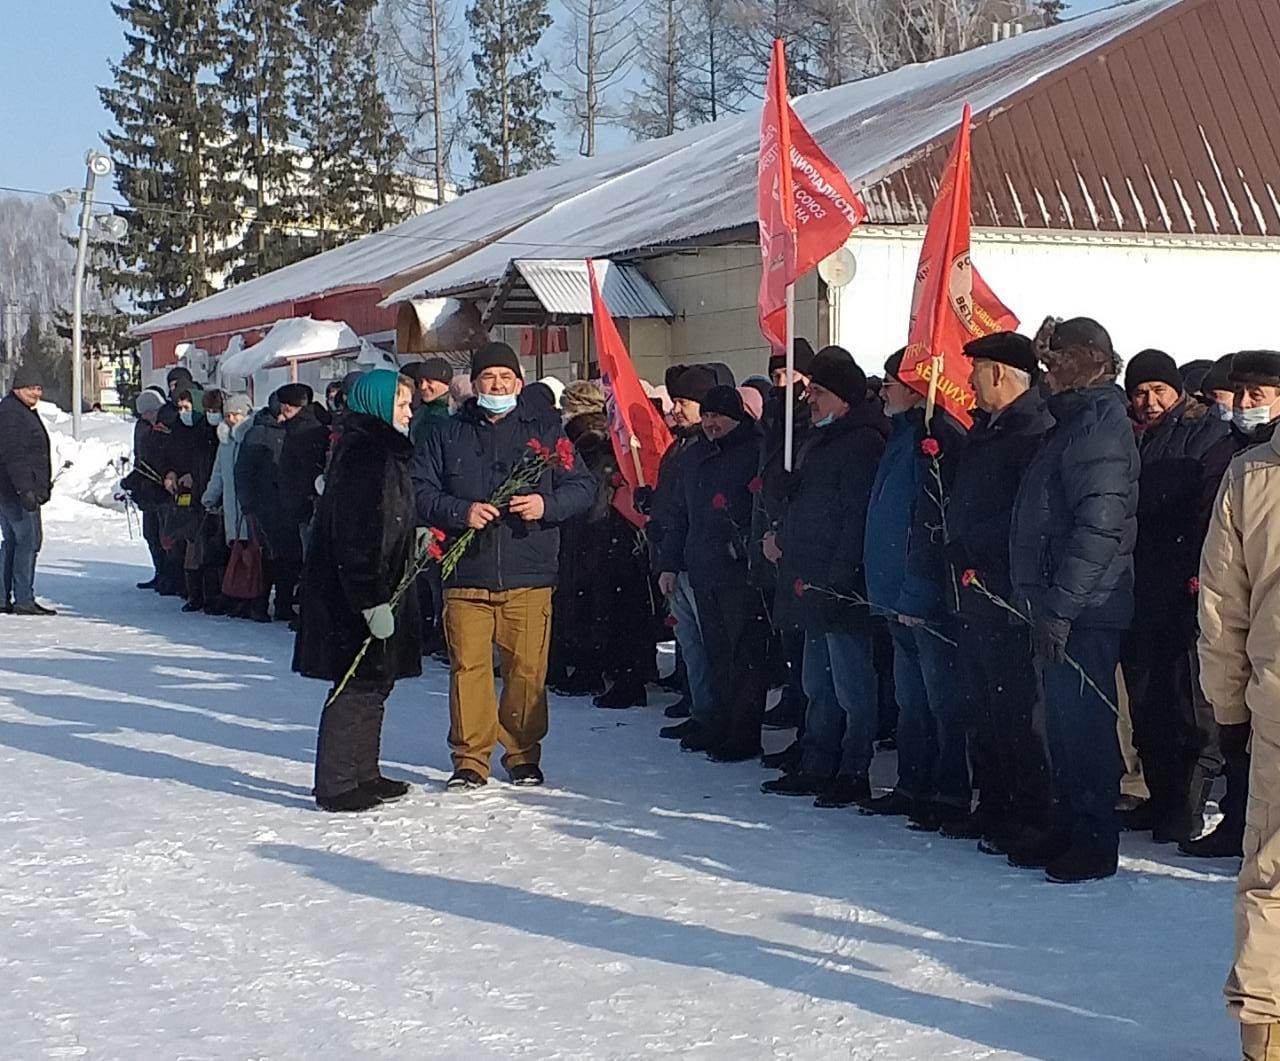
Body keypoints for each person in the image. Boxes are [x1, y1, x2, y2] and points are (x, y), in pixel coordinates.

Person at [413, 342, 595, 790]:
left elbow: (584, 487)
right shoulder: (446, 434)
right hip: (466, 574)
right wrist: (460, 512)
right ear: (474, 385)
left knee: (526, 670)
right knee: (468, 670)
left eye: (505, 378)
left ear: (518, 383)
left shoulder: (547, 432)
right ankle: (470, 759)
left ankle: (522, 753)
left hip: (528, 572)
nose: (497, 385)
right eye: (487, 378)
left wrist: (545, 504)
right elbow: (418, 490)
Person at [1007, 317, 1139, 883]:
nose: (1044, 377)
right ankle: (1068, 825)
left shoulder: (1098, 429)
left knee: (1083, 726)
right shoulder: (1072, 424)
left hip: (1085, 608)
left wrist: (1061, 605)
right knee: (1059, 725)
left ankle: (1092, 839)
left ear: (1076, 365)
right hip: (1062, 604)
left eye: (1051, 364)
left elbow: (1098, 529)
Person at [761, 348, 887, 806]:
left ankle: (853, 767)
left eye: (818, 392)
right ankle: (818, 760)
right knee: (817, 682)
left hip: (840, 583)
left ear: (844, 398)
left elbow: (854, 519)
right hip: (811, 579)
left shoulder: (863, 442)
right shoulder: (820, 438)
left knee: (851, 683)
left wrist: (839, 578)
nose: (809, 399)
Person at [945, 332, 1054, 854]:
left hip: (1009, 593)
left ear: (1000, 374)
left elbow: (1025, 512)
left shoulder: (1032, 431)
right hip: (976, 594)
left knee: (1017, 715)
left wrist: (971, 543)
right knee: (981, 708)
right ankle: (992, 805)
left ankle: (1028, 815)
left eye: (976, 370)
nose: (968, 381)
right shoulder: (986, 431)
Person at [293, 370, 421, 812]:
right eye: (402, 404)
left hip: (382, 584)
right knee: (353, 686)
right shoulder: (367, 453)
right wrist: (370, 599)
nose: (410, 411)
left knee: (375, 683)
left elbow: (390, 516)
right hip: (355, 594)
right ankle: (336, 783)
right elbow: (355, 533)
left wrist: (413, 536)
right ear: (380, 405)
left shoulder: (384, 451)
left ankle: (364, 770)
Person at [1119, 349, 1233, 844]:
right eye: (1140, 392)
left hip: (1182, 586)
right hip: (1138, 588)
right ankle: (1159, 798)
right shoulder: (1130, 438)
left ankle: (1186, 806)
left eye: (1158, 391)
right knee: (1148, 705)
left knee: (1189, 707)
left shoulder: (1203, 434)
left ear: (1177, 391)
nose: (1148, 402)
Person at [1198, 392, 1280, 1060]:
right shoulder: (1250, 473)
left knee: (1272, 878)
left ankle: (1265, 1040)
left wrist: (1227, 708)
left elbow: (1223, 605)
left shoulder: (1251, 474)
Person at [859, 349, 968, 831]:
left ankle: (947, 792)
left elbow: (930, 525)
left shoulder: (936, 440)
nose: (884, 391)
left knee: (940, 701)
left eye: (892, 381)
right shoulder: (900, 438)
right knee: (911, 700)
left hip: (922, 595)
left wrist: (920, 590)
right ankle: (912, 784)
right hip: (892, 592)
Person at [1184, 351, 1280, 861]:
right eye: (1239, 394)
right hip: (1260, 663)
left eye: (1256, 396)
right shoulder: (1237, 462)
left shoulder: (1255, 465)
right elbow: (1225, 589)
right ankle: (1236, 820)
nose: (1244, 405)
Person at [658, 385, 770, 762]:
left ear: (736, 416)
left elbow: (763, 508)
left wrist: (745, 548)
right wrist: (669, 562)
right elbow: (679, 513)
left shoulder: (755, 451)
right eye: (705, 416)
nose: (710, 423)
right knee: (716, 654)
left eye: (718, 416)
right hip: (702, 566)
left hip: (739, 570)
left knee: (744, 656)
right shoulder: (695, 458)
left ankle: (743, 730)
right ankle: (718, 722)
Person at [756, 339, 817, 735]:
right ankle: (796, 699)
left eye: (787, 375)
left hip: (803, 544)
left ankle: (808, 715)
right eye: (775, 376)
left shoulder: (807, 420)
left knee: (809, 643)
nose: (780, 384)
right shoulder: (776, 419)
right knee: (789, 635)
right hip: (775, 534)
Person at [0, 365, 54, 616]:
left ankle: (4, 596)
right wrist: (26, 489)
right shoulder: (12, 413)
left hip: (15, 490)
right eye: (31, 388)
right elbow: (14, 455)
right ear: (17, 388)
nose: (37, 393)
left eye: (39, 388)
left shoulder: (19, 410)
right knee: (27, 541)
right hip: (16, 492)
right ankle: (23, 598)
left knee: (14, 541)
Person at [201, 394, 254, 616]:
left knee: (252, 555)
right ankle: (237, 596)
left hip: (249, 507)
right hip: (231, 507)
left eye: (236, 414)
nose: (232, 419)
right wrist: (210, 496)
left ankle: (252, 598)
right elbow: (219, 473)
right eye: (229, 415)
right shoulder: (225, 442)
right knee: (236, 553)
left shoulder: (251, 438)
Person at [403, 358, 454, 448]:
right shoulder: (420, 409)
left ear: (444, 383)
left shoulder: (453, 410)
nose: (423, 387)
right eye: (420, 381)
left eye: (429, 381)